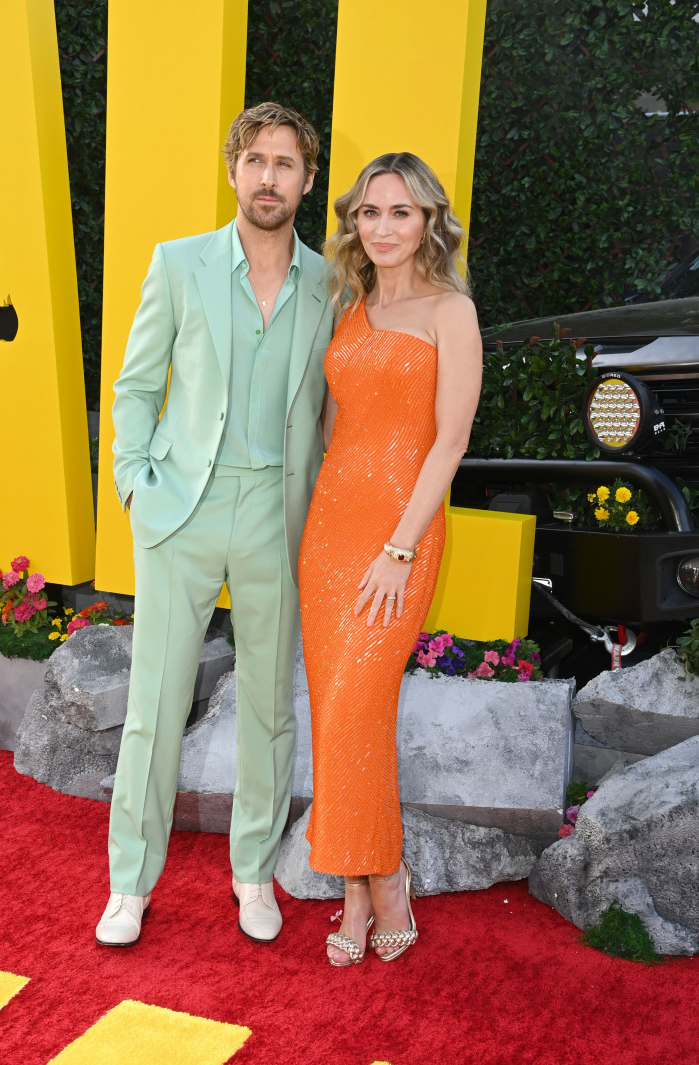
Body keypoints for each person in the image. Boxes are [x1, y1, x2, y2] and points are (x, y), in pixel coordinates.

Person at [96, 102, 334, 947]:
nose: (269, 177)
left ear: (308, 179)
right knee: (155, 703)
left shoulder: (330, 282)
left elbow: (334, 410)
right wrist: (134, 484)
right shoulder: (180, 263)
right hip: (182, 510)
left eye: (287, 163)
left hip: (277, 513)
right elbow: (132, 385)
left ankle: (251, 874)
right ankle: (129, 882)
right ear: (233, 170)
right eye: (256, 160)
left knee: (270, 707)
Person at [299, 152, 483, 965]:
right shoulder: (351, 301)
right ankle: (356, 887)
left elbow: (449, 443)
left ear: (428, 222)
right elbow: (339, 429)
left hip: (400, 538)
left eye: (400, 213)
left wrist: (400, 548)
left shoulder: (452, 311)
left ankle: (388, 879)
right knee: (336, 715)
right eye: (370, 212)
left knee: (360, 708)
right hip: (330, 536)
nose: (382, 227)